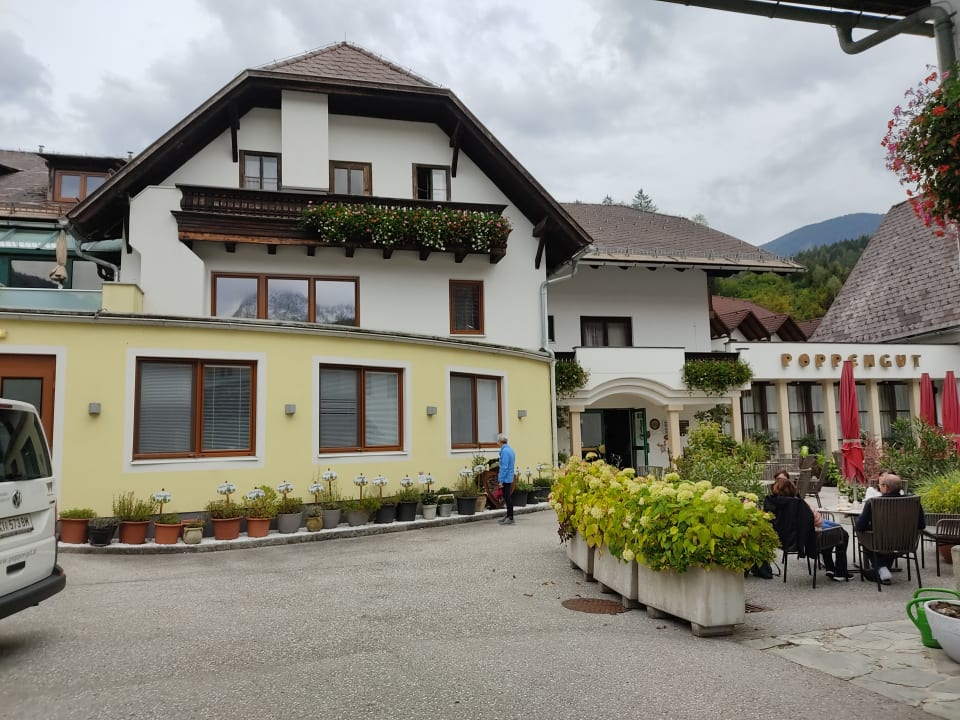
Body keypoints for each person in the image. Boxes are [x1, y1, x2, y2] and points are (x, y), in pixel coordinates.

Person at [764, 472, 854, 582]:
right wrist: (814, 513)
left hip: (786, 537)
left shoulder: (770, 501)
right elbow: (815, 521)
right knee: (842, 533)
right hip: (806, 535)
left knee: (834, 530)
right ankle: (840, 572)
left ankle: (830, 568)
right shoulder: (797, 503)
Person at [854, 471, 925, 585]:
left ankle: (881, 569)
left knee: (865, 538)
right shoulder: (914, 502)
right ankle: (883, 569)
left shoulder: (873, 503)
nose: (879, 487)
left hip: (880, 543)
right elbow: (922, 525)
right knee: (888, 541)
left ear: (886, 488)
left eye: (880, 485)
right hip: (906, 543)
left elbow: (860, 526)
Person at [496, 433, 516, 525]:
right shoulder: (510, 450)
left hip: (506, 478)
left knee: (507, 498)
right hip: (509, 477)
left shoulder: (505, 451)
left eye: (497, 441)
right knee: (507, 497)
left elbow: (504, 467)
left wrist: (501, 480)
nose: (497, 443)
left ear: (500, 441)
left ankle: (510, 517)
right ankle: (508, 515)